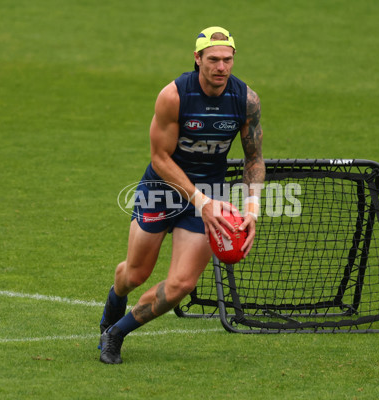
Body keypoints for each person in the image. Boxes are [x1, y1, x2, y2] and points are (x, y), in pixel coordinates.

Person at [99, 26, 265, 364]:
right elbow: (159, 158)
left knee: (181, 284)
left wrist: (252, 209)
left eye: (228, 60)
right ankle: (117, 295)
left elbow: (254, 158)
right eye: (214, 60)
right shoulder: (173, 96)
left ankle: (115, 333)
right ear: (198, 59)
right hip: (162, 190)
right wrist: (200, 201)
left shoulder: (246, 100)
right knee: (135, 274)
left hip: (209, 197)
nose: (221, 67)